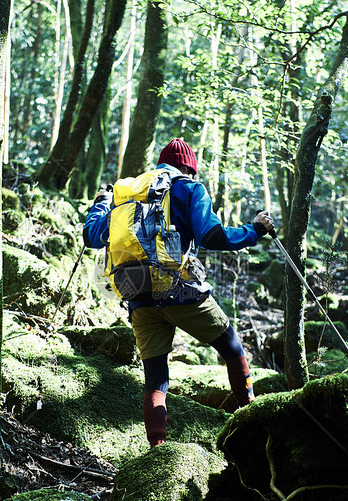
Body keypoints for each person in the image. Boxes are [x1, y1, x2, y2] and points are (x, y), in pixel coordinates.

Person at [83, 138, 274, 447]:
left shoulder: (127, 194)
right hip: (180, 291)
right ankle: (251, 422)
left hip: (137, 294)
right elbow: (212, 236)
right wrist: (255, 230)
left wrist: (102, 203)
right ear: (189, 167)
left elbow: (92, 236)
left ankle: (157, 451)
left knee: (156, 377)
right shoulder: (189, 188)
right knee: (233, 348)